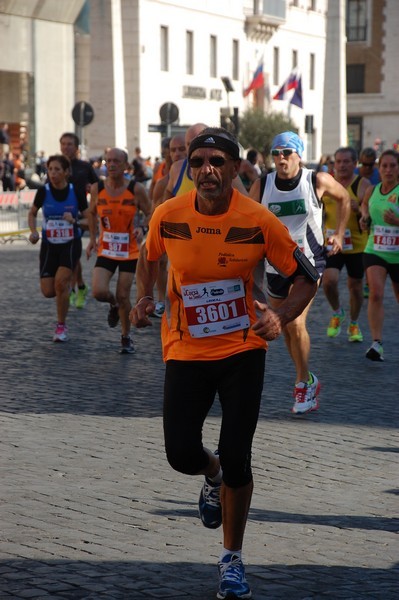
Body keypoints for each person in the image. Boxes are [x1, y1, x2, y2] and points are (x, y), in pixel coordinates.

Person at [130, 127, 320, 599]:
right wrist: (142, 297)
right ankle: (209, 475)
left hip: (242, 350)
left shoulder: (258, 219)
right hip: (185, 349)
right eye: (197, 163)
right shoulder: (168, 214)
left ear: (236, 169)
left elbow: (306, 278)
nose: (206, 170)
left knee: (239, 456)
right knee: (179, 453)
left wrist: (279, 315)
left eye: (217, 161)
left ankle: (232, 558)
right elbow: (147, 257)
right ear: (188, 170)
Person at [249, 131, 351, 415]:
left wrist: (339, 234)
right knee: (284, 328)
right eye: (276, 153)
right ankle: (306, 377)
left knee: (295, 324)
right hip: (274, 266)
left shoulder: (315, 180)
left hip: (308, 263)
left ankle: (302, 384)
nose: (280, 158)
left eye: (286, 153)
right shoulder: (263, 184)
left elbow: (344, 198)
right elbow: (246, 218)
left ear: (298, 155)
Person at [86, 148, 152, 354]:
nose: (111, 164)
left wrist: (142, 228)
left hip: (129, 251)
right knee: (98, 291)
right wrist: (92, 239)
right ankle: (113, 305)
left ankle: (125, 336)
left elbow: (150, 212)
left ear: (125, 166)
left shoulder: (136, 188)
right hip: (106, 248)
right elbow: (91, 213)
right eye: (108, 161)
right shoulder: (97, 188)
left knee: (124, 295)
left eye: (116, 161)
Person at [27, 154, 89, 342]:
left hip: (70, 244)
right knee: (49, 291)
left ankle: (61, 326)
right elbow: (32, 213)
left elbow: (89, 221)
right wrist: (33, 231)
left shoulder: (76, 192)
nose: (53, 173)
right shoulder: (43, 191)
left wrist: (76, 220)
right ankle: (65, 293)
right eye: (50, 169)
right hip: (49, 245)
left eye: (57, 170)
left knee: (61, 283)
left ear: (66, 172)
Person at [322, 147, 370, 342]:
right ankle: (337, 312)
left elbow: (369, 213)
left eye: (346, 161)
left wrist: (359, 209)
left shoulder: (362, 184)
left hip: (357, 244)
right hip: (332, 240)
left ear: (354, 163)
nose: (341, 165)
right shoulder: (327, 183)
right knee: (328, 281)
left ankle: (354, 322)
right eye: (338, 161)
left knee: (356, 286)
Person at [360, 149, 399, 361]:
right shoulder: (372, 190)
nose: (388, 170)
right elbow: (364, 205)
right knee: (376, 294)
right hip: (375, 249)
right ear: (379, 168)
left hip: (398, 254)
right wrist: (364, 217)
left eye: (393, 165)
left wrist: (397, 222)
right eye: (384, 166)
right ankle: (376, 343)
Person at [60, 132, 99, 308]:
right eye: (63, 144)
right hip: (62, 216)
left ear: (76, 148)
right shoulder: (56, 166)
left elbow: (99, 187)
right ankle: (80, 286)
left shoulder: (84, 166)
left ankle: (73, 288)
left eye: (69, 144)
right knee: (72, 257)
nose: (66, 147)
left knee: (72, 254)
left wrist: (92, 189)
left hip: (80, 215)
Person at [152, 134, 187, 318]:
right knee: (160, 262)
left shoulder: (189, 172)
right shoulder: (161, 172)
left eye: (182, 149)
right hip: (165, 227)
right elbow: (154, 199)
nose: (177, 153)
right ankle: (160, 299)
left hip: (183, 235)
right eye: (173, 150)